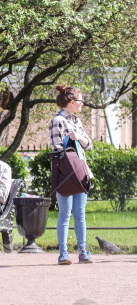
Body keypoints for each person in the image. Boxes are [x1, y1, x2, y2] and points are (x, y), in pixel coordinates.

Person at [50, 84, 93, 265]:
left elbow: (89, 145)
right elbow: (56, 149)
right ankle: (63, 253)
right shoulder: (58, 120)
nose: (83, 104)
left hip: (81, 170)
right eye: (81, 101)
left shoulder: (77, 121)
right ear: (72, 102)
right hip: (65, 173)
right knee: (65, 213)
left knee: (80, 213)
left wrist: (79, 138)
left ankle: (83, 251)